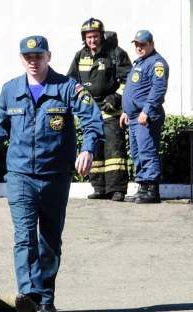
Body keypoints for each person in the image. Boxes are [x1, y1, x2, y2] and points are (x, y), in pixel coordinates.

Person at [0, 35, 104, 312]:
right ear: (21, 58)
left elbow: (92, 120)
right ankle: (28, 295)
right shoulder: (10, 90)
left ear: (49, 55)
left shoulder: (68, 87)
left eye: (38, 56)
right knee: (25, 237)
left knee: (50, 240)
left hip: (55, 176)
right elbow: (1, 127)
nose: (33, 62)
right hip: (20, 176)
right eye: (28, 57)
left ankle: (45, 296)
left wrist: (87, 150)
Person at [67, 18, 132, 202]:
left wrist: (116, 98)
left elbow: (129, 80)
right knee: (94, 149)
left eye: (95, 36)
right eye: (89, 37)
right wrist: (80, 102)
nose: (92, 40)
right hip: (90, 111)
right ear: (84, 38)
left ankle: (117, 190)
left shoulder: (115, 54)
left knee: (114, 151)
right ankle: (99, 187)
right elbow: (71, 83)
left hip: (111, 110)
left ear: (101, 36)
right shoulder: (80, 56)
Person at [119, 30, 169, 204]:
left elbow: (158, 89)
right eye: (137, 45)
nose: (139, 48)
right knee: (137, 153)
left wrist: (145, 111)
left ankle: (152, 189)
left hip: (146, 116)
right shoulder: (140, 62)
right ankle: (142, 187)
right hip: (134, 116)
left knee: (147, 151)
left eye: (143, 44)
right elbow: (134, 89)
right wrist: (125, 110)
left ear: (151, 44)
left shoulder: (156, 64)